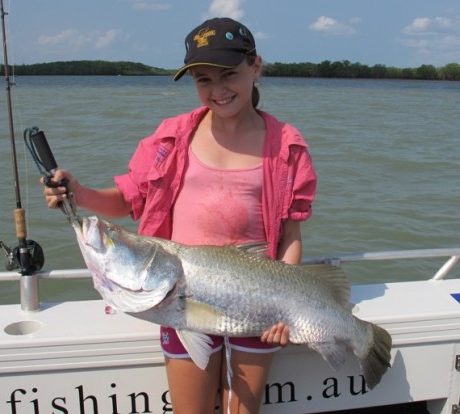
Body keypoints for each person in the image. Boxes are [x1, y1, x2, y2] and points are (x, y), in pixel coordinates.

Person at [42, 17, 316, 414]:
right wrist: (79, 193)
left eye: (229, 75)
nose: (218, 90)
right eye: (203, 80)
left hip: (259, 298)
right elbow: (128, 201)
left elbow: (291, 235)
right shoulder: (171, 138)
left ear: (255, 67)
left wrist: (286, 309)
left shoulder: (287, 148)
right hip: (180, 294)